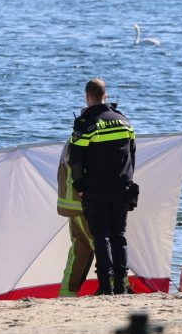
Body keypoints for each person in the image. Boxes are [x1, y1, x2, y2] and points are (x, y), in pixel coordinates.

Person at [69, 78, 137, 296]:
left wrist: (79, 186)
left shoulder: (85, 123)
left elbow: (75, 159)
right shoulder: (124, 121)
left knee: (102, 237)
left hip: (95, 190)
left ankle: (105, 287)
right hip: (122, 187)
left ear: (88, 97)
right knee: (119, 236)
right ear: (105, 96)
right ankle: (121, 286)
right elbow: (132, 154)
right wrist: (127, 180)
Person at [55, 144, 94, 296]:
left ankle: (67, 291)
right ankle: (117, 283)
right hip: (82, 204)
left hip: (72, 203)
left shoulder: (74, 141)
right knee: (100, 243)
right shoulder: (83, 142)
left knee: (80, 247)